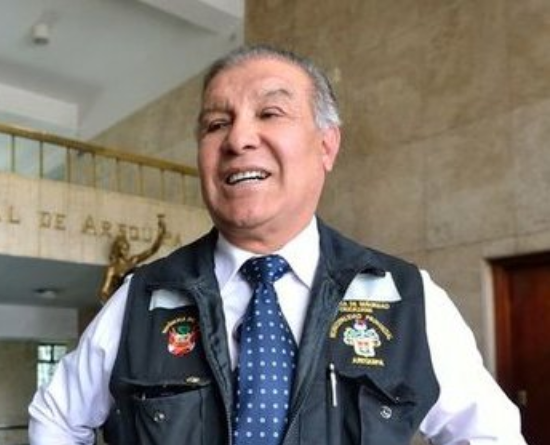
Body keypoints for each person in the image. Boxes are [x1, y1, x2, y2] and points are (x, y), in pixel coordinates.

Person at [28, 44, 526, 445]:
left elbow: (489, 434)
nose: (238, 139)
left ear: (326, 145)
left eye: (270, 112)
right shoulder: (143, 298)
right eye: (216, 124)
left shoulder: (406, 297)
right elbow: (56, 417)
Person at [98, 215, 167, 303]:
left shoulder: (133, 261)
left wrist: (161, 234)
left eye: (127, 248)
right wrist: (111, 304)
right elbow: (103, 291)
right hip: (120, 300)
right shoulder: (112, 268)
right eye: (123, 248)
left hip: (134, 297)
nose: (126, 251)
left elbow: (152, 251)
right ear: (117, 249)